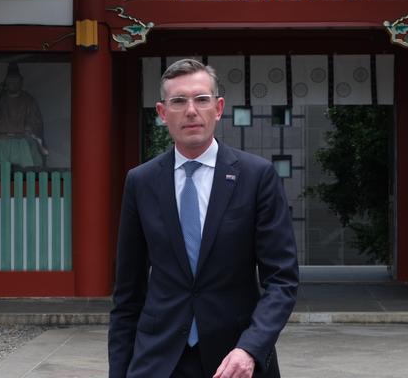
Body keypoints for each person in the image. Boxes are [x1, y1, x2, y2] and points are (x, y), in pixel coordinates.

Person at [109, 59, 299, 378]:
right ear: (161, 112)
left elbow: (282, 279)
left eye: (201, 99)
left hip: (236, 358)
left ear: (219, 107)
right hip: (159, 358)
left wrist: (251, 346)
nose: (191, 110)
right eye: (179, 101)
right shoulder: (141, 182)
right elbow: (127, 293)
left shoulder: (256, 176)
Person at [0, 63, 48, 168]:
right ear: (6, 82)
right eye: (10, 81)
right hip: (0, 139)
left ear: (21, 82)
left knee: (32, 154)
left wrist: (30, 129)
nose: (13, 84)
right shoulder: (0, 99)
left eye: (15, 81)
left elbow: (36, 123)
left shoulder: (29, 100)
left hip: (22, 139)